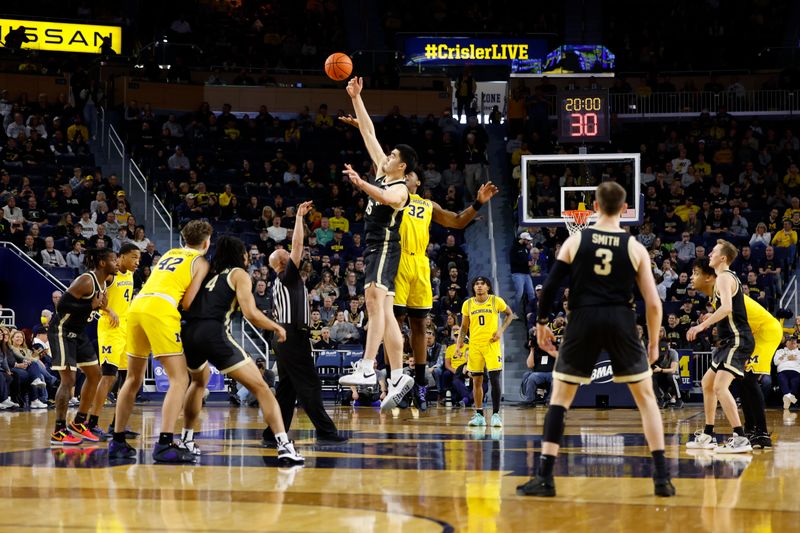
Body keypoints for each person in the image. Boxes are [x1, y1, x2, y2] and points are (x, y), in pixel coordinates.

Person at [516, 181, 675, 498]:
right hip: (621, 318)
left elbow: (549, 288)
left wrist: (543, 324)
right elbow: (654, 303)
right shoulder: (634, 247)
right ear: (625, 209)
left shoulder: (576, 240)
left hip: (582, 318)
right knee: (646, 400)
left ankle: (546, 476)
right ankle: (662, 479)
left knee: (560, 399)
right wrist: (654, 342)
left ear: (595, 207)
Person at [338, 117, 499, 412]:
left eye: (411, 174)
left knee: (418, 326)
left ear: (417, 180)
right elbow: (373, 143)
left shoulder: (427, 205)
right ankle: (391, 377)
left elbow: (458, 221)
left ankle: (419, 384)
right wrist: (361, 126)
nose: (407, 176)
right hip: (396, 261)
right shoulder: (396, 194)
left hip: (420, 267)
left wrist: (477, 203)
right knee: (390, 320)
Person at [181, 236, 304, 464]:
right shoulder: (238, 274)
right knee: (262, 388)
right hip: (214, 333)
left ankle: (186, 440)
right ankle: (284, 445)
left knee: (198, 382)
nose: (248, 257)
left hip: (189, 334)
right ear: (241, 255)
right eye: (246, 253)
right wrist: (276, 326)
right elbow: (251, 313)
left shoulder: (208, 274)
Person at [337, 77, 416, 411]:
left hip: (384, 247)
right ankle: (398, 375)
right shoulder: (386, 171)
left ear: (402, 166)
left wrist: (360, 182)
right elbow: (368, 132)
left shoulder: (399, 188)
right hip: (378, 248)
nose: (387, 155)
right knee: (386, 314)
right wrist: (357, 97)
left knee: (372, 301)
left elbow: (384, 196)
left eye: (393, 155)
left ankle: (368, 366)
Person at [108, 220, 212, 463]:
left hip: (137, 306)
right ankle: (165, 444)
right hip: (160, 309)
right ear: (206, 243)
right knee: (180, 379)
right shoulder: (201, 262)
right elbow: (187, 303)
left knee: (132, 378)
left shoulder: (169, 253)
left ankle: (118, 441)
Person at [265, 201, 347, 445]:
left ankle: (272, 435)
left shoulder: (282, 280)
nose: (291, 256)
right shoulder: (286, 275)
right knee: (310, 384)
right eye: (286, 256)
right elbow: (298, 245)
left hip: (284, 338)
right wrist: (299, 217)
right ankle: (326, 431)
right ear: (282, 262)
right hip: (291, 336)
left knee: (286, 390)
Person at [690, 256, 780, 449]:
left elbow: (733, 314)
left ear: (709, 277)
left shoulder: (724, 286)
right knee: (738, 379)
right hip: (751, 333)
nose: (692, 277)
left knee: (748, 378)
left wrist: (707, 322)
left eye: (696, 273)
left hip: (764, 331)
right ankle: (747, 431)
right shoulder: (716, 294)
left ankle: (761, 433)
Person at [684, 241, 755, 454]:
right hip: (728, 341)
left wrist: (702, 325)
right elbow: (725, 311)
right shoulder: (721, 281)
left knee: (719, 387)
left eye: (714, 252)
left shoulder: (725, 277)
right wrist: (710, 316)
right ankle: (707, 434)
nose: (710, 254)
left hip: (738, 339)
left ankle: (741, 437)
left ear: (723, 258)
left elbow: (727, 308)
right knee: (707, 383)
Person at [49, 249, 118, 445]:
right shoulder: (87, 280)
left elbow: (94, 304)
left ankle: (79, 422)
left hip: (79, 333)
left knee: (95, 374)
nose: (117, 263)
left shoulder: (104, 281)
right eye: (113, 260)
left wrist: (107, 308)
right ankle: (58, 431)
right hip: (62, 331)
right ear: (102, 263)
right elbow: (61, 306)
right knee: (68, 380)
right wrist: (92, 307)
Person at [88, 244, 141, 438]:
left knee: (127, 379)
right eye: (134, 257)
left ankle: (117, 425)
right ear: (121, 257)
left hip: (126, 329)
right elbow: (93, 299)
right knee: (109, 376)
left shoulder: (131, 275)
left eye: (139, 258)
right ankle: (92, 423)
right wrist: (108, 310)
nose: (137, 262)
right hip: (110, 328)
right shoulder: (110, 275)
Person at [454, 277, 514, 427]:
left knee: (494, 379)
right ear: (473, 288)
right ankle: (479, 415)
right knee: (477, 381)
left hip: (491, 345)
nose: (479, 286)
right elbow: (464, 327)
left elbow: (510, 314)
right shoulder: (467, 304)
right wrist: (458, 345)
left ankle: (495, 415)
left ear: (488, 287)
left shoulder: (495, 301)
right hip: (474, 346)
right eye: (476, 284)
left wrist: (500, 331)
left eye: (482, 284)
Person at [774, 336, 800, 409]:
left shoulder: (799, 353)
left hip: (796, 371)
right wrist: (787, 358)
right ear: (786, 343)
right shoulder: (780, 351)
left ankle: (787, 400)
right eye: (790, 341)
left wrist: (783, 358)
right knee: (782, 380)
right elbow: (776, 362)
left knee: (795, 382)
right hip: (783, 371)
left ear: (797, 344)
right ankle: (792, 400)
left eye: (794, 342)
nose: (792, 343)